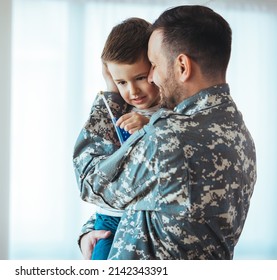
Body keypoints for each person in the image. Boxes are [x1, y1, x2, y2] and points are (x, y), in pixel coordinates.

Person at [73, 5, 257, 260]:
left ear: (182, 66)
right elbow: (148, 200)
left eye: (155, 65)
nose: (152, 77)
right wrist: (89, 231)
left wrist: (111, 94)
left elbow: (90, 181)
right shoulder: (237, 132)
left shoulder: (169, 139)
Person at [86, 17, 161, 260]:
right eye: (121, 82)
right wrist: (110, 86)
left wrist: (149, 125)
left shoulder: (170, 111)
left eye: (140, 77)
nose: (132, 91)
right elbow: (97, 165)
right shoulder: (119, 108)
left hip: (140, 222)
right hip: (106, 218)